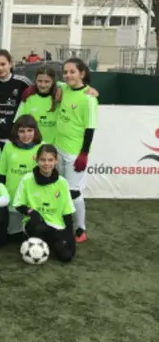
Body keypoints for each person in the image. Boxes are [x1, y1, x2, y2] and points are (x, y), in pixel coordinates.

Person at [54, 58, 98, 243]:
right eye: (65, 72)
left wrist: (84, 153)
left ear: (82, 73)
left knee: (73, 192)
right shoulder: (63, 88)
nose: (68, 75)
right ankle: (59, 223)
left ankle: (81, 229)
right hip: (57, 148)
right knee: (58, 188)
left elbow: (90, 128)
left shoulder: (89, 98)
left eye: (72, 71)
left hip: (74, 152)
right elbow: (45, 80)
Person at [13, 144, 76, 262]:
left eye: (50, 160)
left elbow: (67, 213)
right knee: (38, 227)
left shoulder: (62, 183)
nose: (46, 163)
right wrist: (30, 211)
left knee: (66, 257)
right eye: (43, 160)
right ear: (36, 160)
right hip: (35, 223)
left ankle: (52, 243)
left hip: (56, 225)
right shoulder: (27, 179)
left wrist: (70, 238)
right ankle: (33, 239)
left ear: (56, 161)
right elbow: (18, 204)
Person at [0, 115, 44, 238]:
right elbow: (1, 174)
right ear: (16, 132)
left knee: (34, 233)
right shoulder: (8, 146)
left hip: (32, 200)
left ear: (35, 131)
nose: (26, 135)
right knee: (11, 235)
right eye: (22, 131)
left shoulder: (41, 147)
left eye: (29, 130)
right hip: (12, 200)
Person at [0, 50, 32, 148]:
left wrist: (59, 88)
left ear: (10, 64)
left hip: (15, 137)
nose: (0, 68)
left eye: (3, 64)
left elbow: (40, 90)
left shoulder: (22, 82)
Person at [16, 66, 58, 143]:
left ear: (53, 81)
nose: (43, 85)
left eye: (47, 81)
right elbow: (19, 121)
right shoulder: (28, 96)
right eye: (40, 81)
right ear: (35, 80)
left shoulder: (59, 97)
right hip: (33, 145)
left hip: (54, 146)